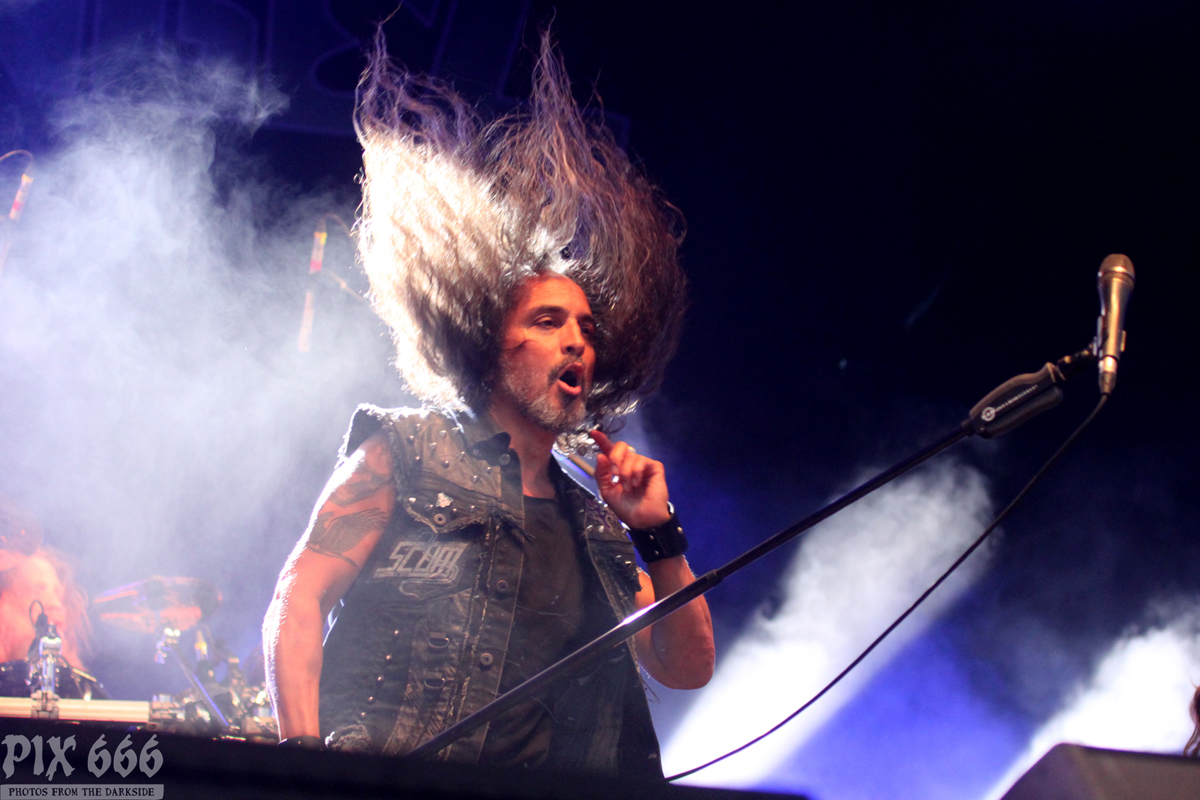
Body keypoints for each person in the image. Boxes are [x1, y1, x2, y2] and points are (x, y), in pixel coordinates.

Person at [262, 32, 714, 777]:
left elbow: (687, 667)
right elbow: (298, 600)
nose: (576, 342)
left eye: (586, 329)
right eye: (549, 322)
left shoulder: (596, 523)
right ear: (486, 343)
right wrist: (305, 769)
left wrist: (659, 533)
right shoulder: (405, 452)